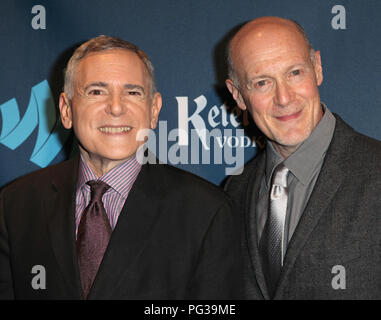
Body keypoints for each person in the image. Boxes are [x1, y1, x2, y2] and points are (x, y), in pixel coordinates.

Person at [0, 35, 240, 299]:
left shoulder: (206, 211)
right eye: (96, 92)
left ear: (153, 110)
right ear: (66, 110)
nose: (115, 107)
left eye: (132, 92)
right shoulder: (15, 204)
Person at [225, 16, 381, 299]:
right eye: (262, 82)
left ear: (317, 68)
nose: (283, 98)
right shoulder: (235, 189)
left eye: (294, 73)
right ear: (237, 95)